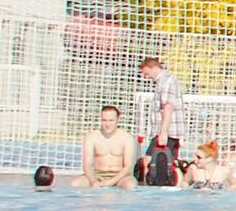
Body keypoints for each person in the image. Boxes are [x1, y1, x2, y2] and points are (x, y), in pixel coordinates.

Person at [137, 56, 182, 186]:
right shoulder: (164, 81)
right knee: (165, 162)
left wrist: (163, 132)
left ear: (154, 68)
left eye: (146, 73)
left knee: (153, 162)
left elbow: (168, 107)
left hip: (167, 131)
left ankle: (149, 189)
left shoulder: (166, 81)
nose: (146, 77)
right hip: (166, 131)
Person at [77, 105, 135, 188]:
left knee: (130, 185)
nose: (107, 124)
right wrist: (93, 181)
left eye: (111, 120)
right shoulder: (91, 137)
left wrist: (110, 182)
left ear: (118, 120)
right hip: (97, 174)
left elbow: (128, 166)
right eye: (104, 120)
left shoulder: (127, 138)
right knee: (75, 184)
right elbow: (87, 164)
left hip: (120, 176)